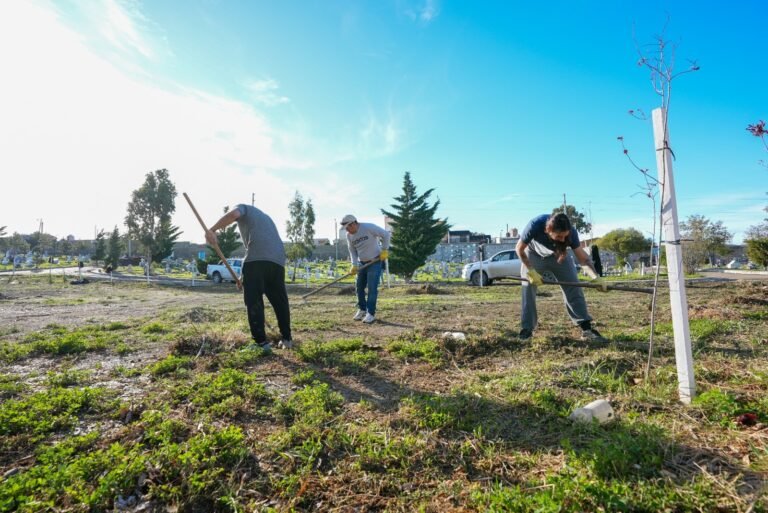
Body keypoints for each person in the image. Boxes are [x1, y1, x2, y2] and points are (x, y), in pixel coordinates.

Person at [205, 204, 292, 351]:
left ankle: (261, 344)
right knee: (280, 301)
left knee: (253, 300)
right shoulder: (265, 218)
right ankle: (287, 339)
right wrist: (243, 278)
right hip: (278, 260)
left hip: (257, 258)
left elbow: (233, 215)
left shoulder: (243, 207)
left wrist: (212, 230)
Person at [515, 213, 606, 341]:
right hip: (533, 255)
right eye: (559, 236)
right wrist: (531, 270)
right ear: (548, 231)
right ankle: (526, 330)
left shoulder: (571, 233)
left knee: (573, 285)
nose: (563, 240)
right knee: (528, 287)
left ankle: (586, 328)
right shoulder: (535, 225)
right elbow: (519, 249)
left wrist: (596, 277)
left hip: (558, 254)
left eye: (565, 236)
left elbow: (583, 259)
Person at [340, 214, 390, 324]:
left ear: (353, 223)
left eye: (348, 227)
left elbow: (386, 235)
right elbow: (352, 251)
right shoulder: (349, 236)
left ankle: (370, 313)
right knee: (359, 287)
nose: (347, 230)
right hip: (362, 263)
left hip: (375, 261)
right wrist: (354, 264)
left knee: (372, 288)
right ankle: (362, 309)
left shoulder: (368, 227)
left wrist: (384, 249)